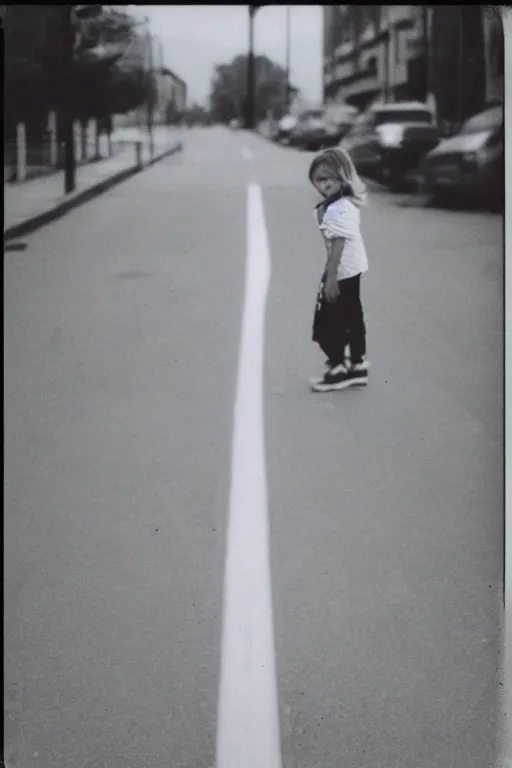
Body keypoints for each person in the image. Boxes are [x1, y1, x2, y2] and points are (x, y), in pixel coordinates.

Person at [309, 147, 370, 392]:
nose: (325, 184)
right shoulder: (341, 204)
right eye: (319, 179)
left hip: (342, 271)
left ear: (343, 176)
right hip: (351, 268)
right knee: (352, 316)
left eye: (330, 178)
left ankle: (337, 369)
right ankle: (357, 366)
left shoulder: (337, 209)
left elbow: (338, 244)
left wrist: (331, 276)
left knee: (329, 320)